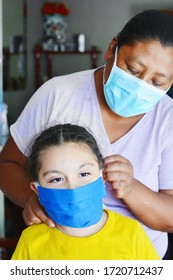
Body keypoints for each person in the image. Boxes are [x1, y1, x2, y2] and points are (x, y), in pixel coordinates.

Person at [0, 9, 173, 259]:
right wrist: (37, 200)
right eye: (134, 70)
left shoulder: (167, 120)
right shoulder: (57, 94)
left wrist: (132, 189)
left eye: (158, 83)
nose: (140, 87)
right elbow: (7, 164)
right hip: (57, 253)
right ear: (112, 48)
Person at [11, 124, 160, 260]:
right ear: (37, 190)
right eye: (56, 179)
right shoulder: (30, 241)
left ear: (102, 177)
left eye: (83, 174)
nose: (72, 188)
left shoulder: (131, 233)